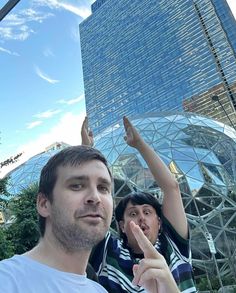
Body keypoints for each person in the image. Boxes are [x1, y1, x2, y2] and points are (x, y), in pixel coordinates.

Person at [82, 116, 197, 293]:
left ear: (159, 223)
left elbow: (172, 188)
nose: (141, 218)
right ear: (122, 226)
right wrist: (86, 150)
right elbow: (89, 201)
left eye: (147, 212)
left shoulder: (174, 245)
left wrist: (139, 144)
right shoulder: (107, 252)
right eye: (133, 214)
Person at [0, 145, 113, 293]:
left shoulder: (100, 290)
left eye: (103, 187)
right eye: (77, 186)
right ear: (44, 204)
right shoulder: (6, 281)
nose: (95, 198)